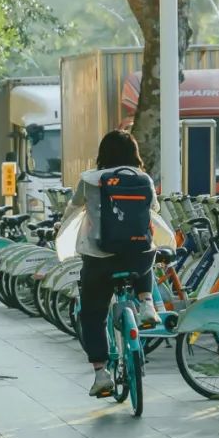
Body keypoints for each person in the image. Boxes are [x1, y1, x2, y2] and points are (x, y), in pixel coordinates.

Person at [56, 130, 160, 397]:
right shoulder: (144, 179)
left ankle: (101, 374)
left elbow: (72, 210)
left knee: (92, 314)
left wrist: (61, 225)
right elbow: (155, 210)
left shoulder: (89, 180)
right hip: (137, 255)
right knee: (146, 253)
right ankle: (147, 303)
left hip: (100, 258)